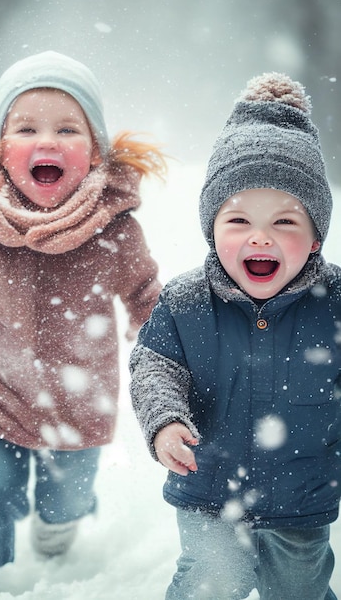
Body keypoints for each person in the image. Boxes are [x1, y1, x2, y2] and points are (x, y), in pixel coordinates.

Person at [0, 50, 166, 589]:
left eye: (67, 129)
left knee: (66, 500)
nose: (47, 141)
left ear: (94, 152)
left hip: (79, 402)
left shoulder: (113, 232)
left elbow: (147, 296)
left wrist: (171, 351)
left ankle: (58, 534)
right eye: (26, 127)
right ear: (2, 151)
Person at [129, 72, 341, 600]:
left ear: (315, 237)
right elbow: (155, 366)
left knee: (300, 589)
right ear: (212, 228)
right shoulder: (186, 301)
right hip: (209, 487)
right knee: (213, 581)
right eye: (239, 218)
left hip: (303, 493)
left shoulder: (335, 303)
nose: (261, 236)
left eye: (286, 222)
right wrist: (165, 423)